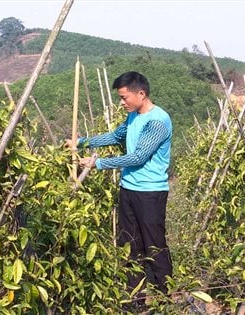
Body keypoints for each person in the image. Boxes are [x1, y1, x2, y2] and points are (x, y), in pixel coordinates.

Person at [68, 71, 173, 298]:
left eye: (125, 97)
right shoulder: (133, 116)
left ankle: (165, 296)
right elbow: (116, 136)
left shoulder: (158, 121)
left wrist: (98, 163)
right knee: (129, 244)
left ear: (141, 94)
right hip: (129, 189)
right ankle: (135, 296)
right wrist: (81, 142)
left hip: (150, 193)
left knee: (153, 245)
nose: (122, 102)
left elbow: (137, 157)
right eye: (120, 97)